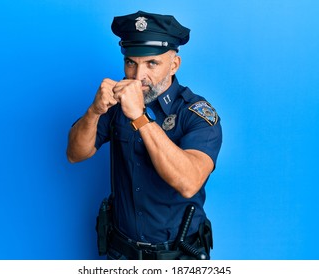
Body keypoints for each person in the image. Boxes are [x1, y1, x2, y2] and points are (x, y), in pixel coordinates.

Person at [66, 11, 222, 260]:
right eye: (131, 62)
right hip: (121, 254)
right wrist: (94, 111)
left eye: (152, 63)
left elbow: (189, 182)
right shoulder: (114, 104)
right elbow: (75, 154)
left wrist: (140, 117)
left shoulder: (196, 113)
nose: (138, 77)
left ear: (174, 65)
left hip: (178, 256)